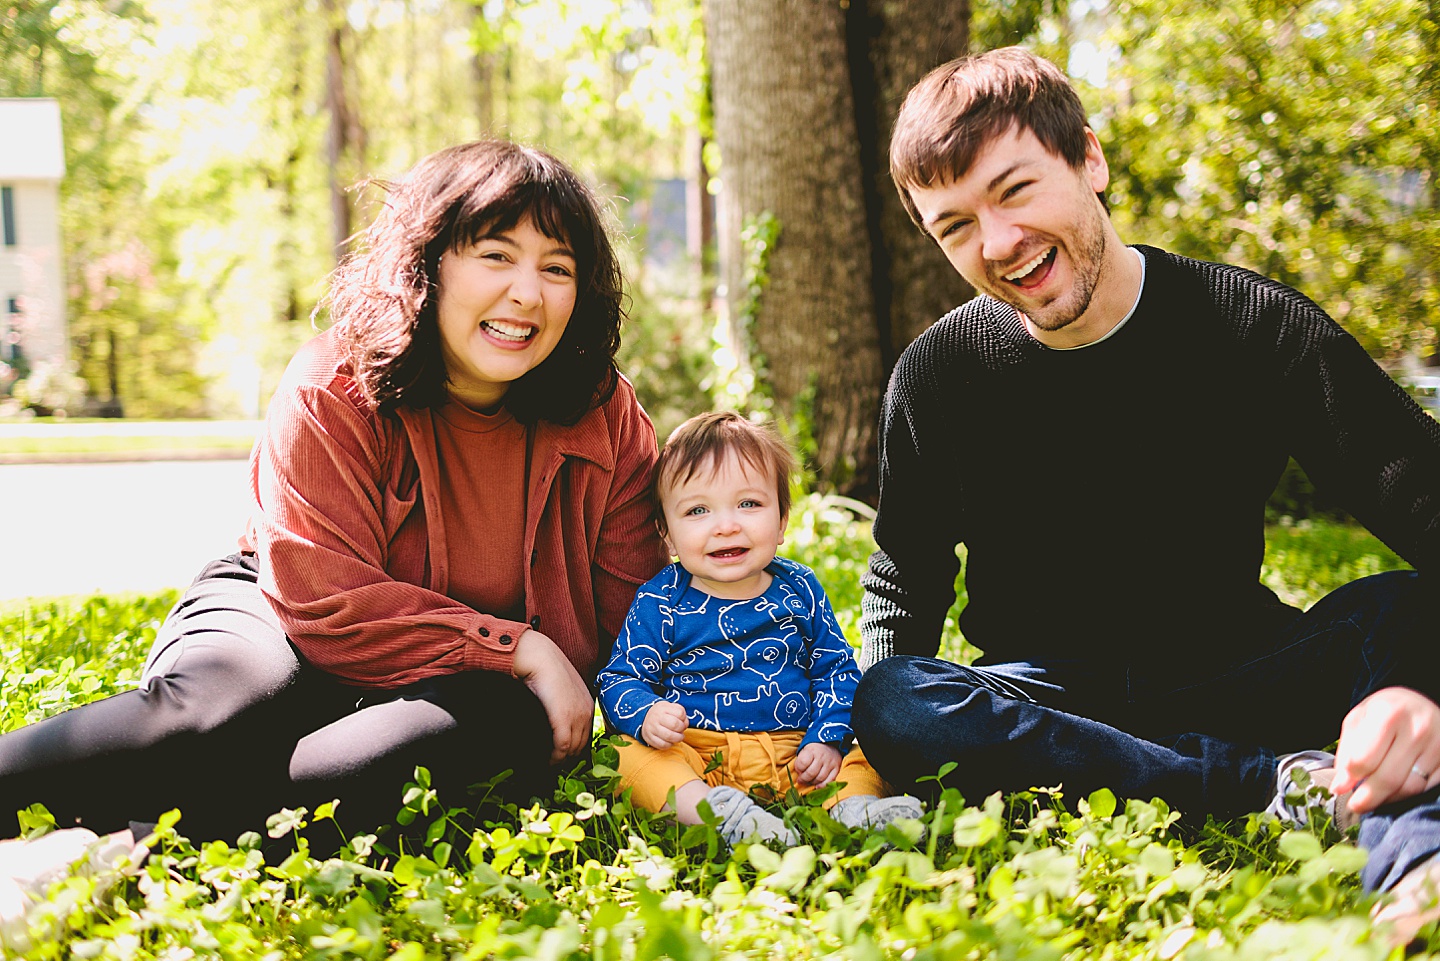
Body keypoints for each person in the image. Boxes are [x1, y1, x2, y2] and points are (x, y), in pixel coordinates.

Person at [848, 47, 1440, 941]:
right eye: (955, 226)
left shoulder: (1250, 325)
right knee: (894, 694)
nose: (998, 244)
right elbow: (905, 579)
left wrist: (1416, 681)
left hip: (1244, 672)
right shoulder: (938, 376)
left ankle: (1415, 864)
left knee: (1399, 614)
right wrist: (873, 746)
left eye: (1014, 191)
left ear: (1089, 157)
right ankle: (1266, 784)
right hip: (1048, 707)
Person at [0, 140, 668, 889]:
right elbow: (324, 598)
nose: (526, 293)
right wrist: (519, 647)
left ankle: (116, 845)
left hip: (464, 679)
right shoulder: (335, 384)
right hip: (283, 603)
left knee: (495, 722)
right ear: (430, 262)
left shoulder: (603, 413)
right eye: (495, 255)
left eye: (556, 268)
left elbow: (639, 612)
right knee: (229, 705)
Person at [597, 412, 922, 847]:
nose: (726, 525)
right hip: (697, 755)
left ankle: (854, 809)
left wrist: (827, 738)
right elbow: (620, 678)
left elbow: (837, 671)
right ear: (667, 535)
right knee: (624, 755)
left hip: (799, 754)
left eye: (748, 504)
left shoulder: (799, 589)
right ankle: (722, 817)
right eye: (697, 510)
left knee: (873, 741)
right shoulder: (660, 601)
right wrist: (647, 713)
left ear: (783, 519)